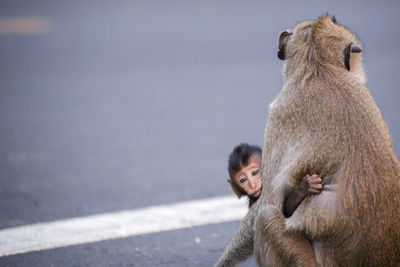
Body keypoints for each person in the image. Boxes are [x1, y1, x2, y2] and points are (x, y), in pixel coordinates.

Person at [227, 143, 323, 217]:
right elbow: (282, 214)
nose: (253, 185)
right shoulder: (254, 206)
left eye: (255, 173)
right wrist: (301, 190)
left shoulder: (277, 180)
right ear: (234, 186)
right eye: (243, 180)